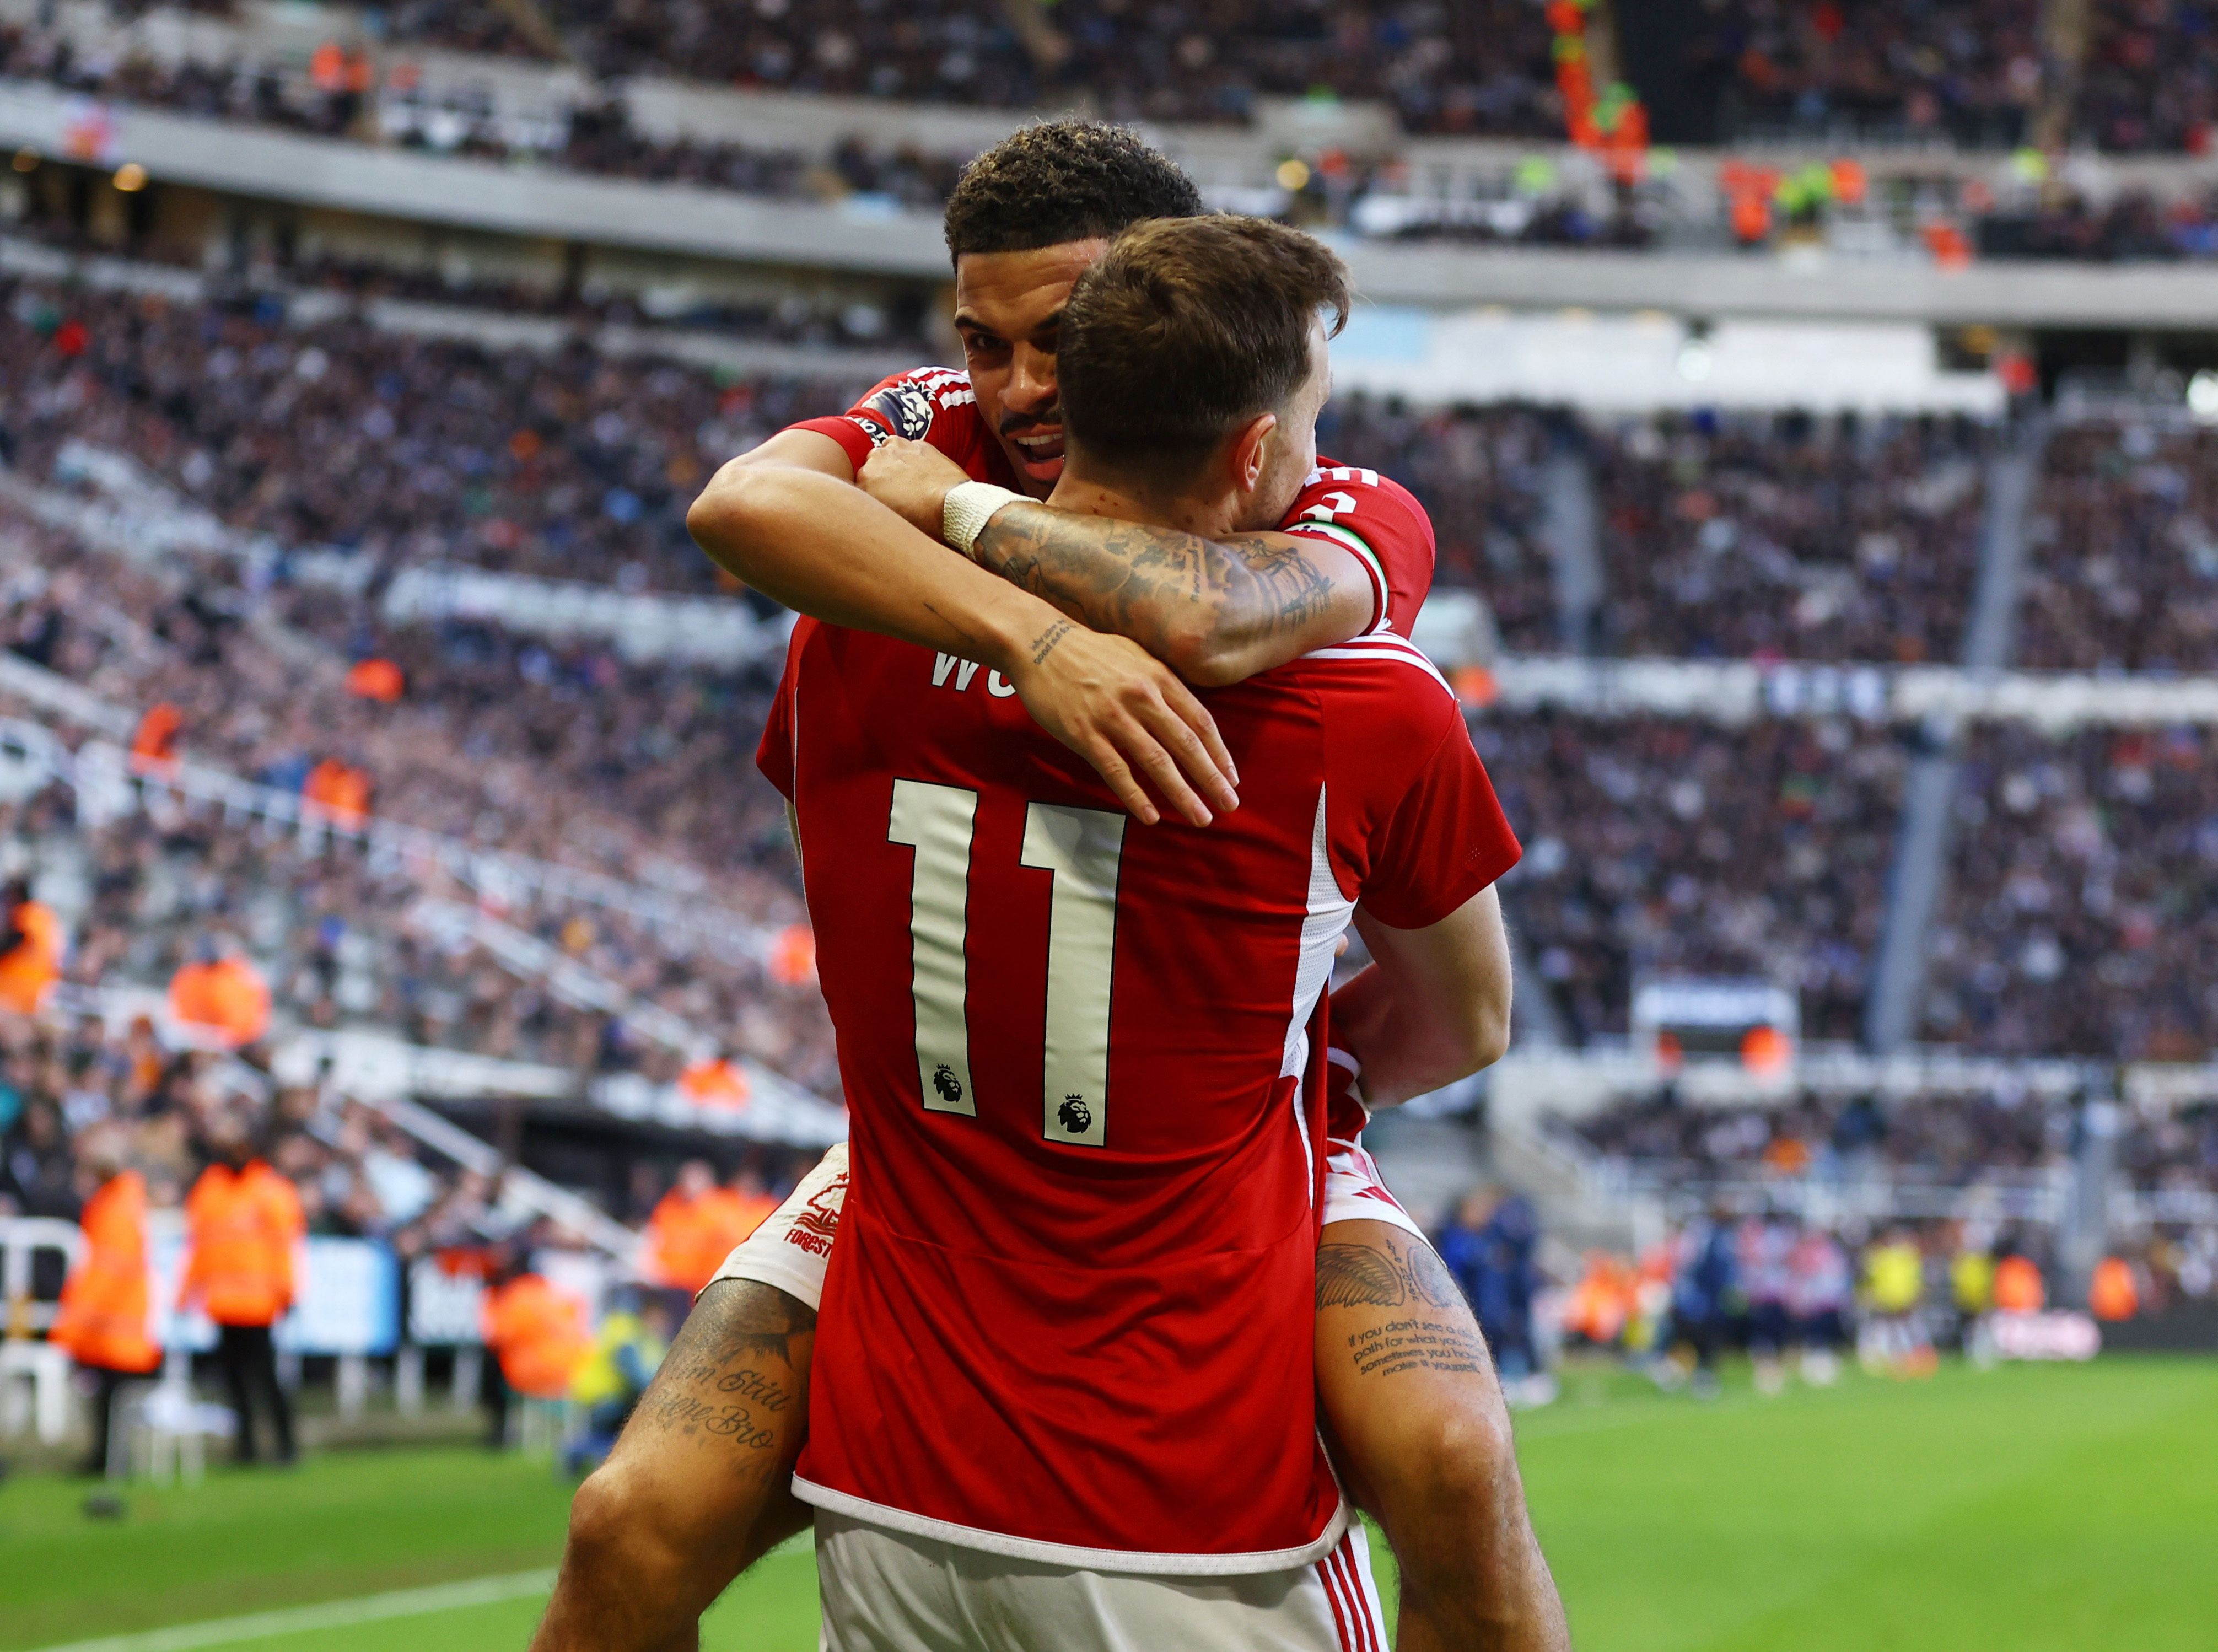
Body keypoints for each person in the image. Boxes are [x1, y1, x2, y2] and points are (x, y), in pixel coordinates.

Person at [540, 212, 1565, 1650]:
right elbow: (1464, 1016)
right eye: (985, 343)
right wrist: (1028, 630)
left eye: (1056, 340)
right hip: (953, 1157)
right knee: (628, 1521)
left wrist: (978, 544)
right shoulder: (1365, 688)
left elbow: (1205, 619)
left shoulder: (864, 596)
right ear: (1249, 448)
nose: (1019, 382)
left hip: (1189, 1129)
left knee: (1457, 1459)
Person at [178, 1116, 304, 1465]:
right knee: (234, 1381)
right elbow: (199, 1247)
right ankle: (247, 1448)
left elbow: (284, 1247)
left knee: (266, 1378)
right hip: (222, 1302)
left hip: (259, 1302)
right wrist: (187, 1294)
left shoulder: (270, 1189)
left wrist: (287, 1292)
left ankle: (285, 1446)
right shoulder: (209, 1190)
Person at [51, 1124, 161, 1475]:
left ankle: (111, 1460)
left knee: (113, 1396)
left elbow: (108, 1269)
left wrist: (79, 1317)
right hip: (113, 1316)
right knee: (106, 1395)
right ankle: (105, 1457)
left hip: (114, 1317)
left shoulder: (119, 1205)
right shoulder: (117, 1200)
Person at [481, 1251, 593, 1449]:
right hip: (572, 1369)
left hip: (532, 1371)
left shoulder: (515, 1296)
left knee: (492, 1370)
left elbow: (497, 1337)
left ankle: (501, 1433)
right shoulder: (555, 1294)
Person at [0, 876, 63, 1018]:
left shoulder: (27, 916)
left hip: (16, 992)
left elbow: (10, 945)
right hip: (35, 991)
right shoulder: (43, 915)